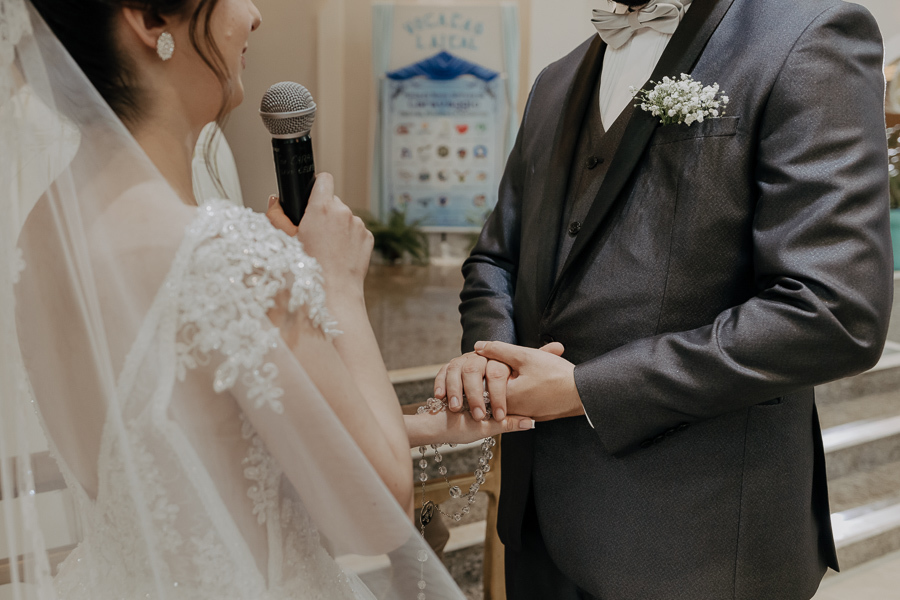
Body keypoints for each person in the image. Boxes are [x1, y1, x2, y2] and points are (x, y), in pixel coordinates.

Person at [0, 0, 533, 597]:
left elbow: (188, 441)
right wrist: (336, 287)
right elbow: (380, 507)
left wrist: (415, 427)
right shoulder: (223, 255)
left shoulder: (40, 232)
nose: (254, 15)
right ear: (151, 21)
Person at [435, 0, 894, 598]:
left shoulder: (809, 37)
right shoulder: (556, 80)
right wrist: (490, 353)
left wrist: (586, 390)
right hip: (538, 528)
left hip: (695, 543)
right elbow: (497, 257)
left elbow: (833, 311)